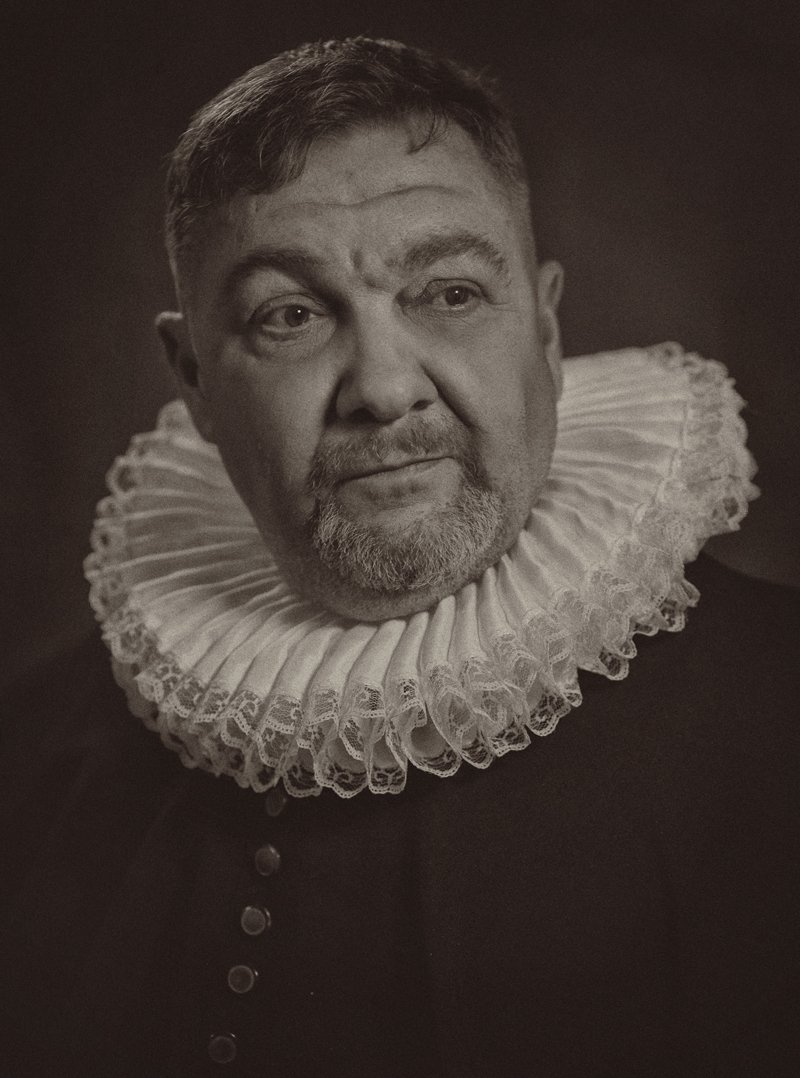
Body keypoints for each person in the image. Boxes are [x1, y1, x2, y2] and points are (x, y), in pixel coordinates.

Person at [1, 36, 798, 1077]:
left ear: (546, 331)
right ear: (193, 378)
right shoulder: (30, 758)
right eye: (290, 315)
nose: (382, 388)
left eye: (450, 293)